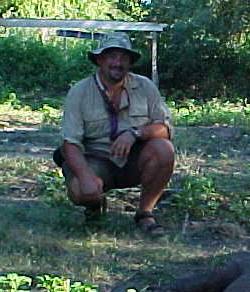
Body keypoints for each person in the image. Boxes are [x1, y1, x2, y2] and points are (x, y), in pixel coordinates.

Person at [56, 32, 174, 236]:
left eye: (123, 58)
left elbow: (165, 129)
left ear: (130, 62)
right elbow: (70, 144)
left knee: (164, 149)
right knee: (81, 190)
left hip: (133, 160)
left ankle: (145, 213)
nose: (117, 63)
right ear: (99, 60)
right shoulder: (79, 91)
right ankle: (94, 205)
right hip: (96, 160)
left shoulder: (145, 86)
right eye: (111, 56)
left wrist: (135, 133)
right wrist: (85, 177)